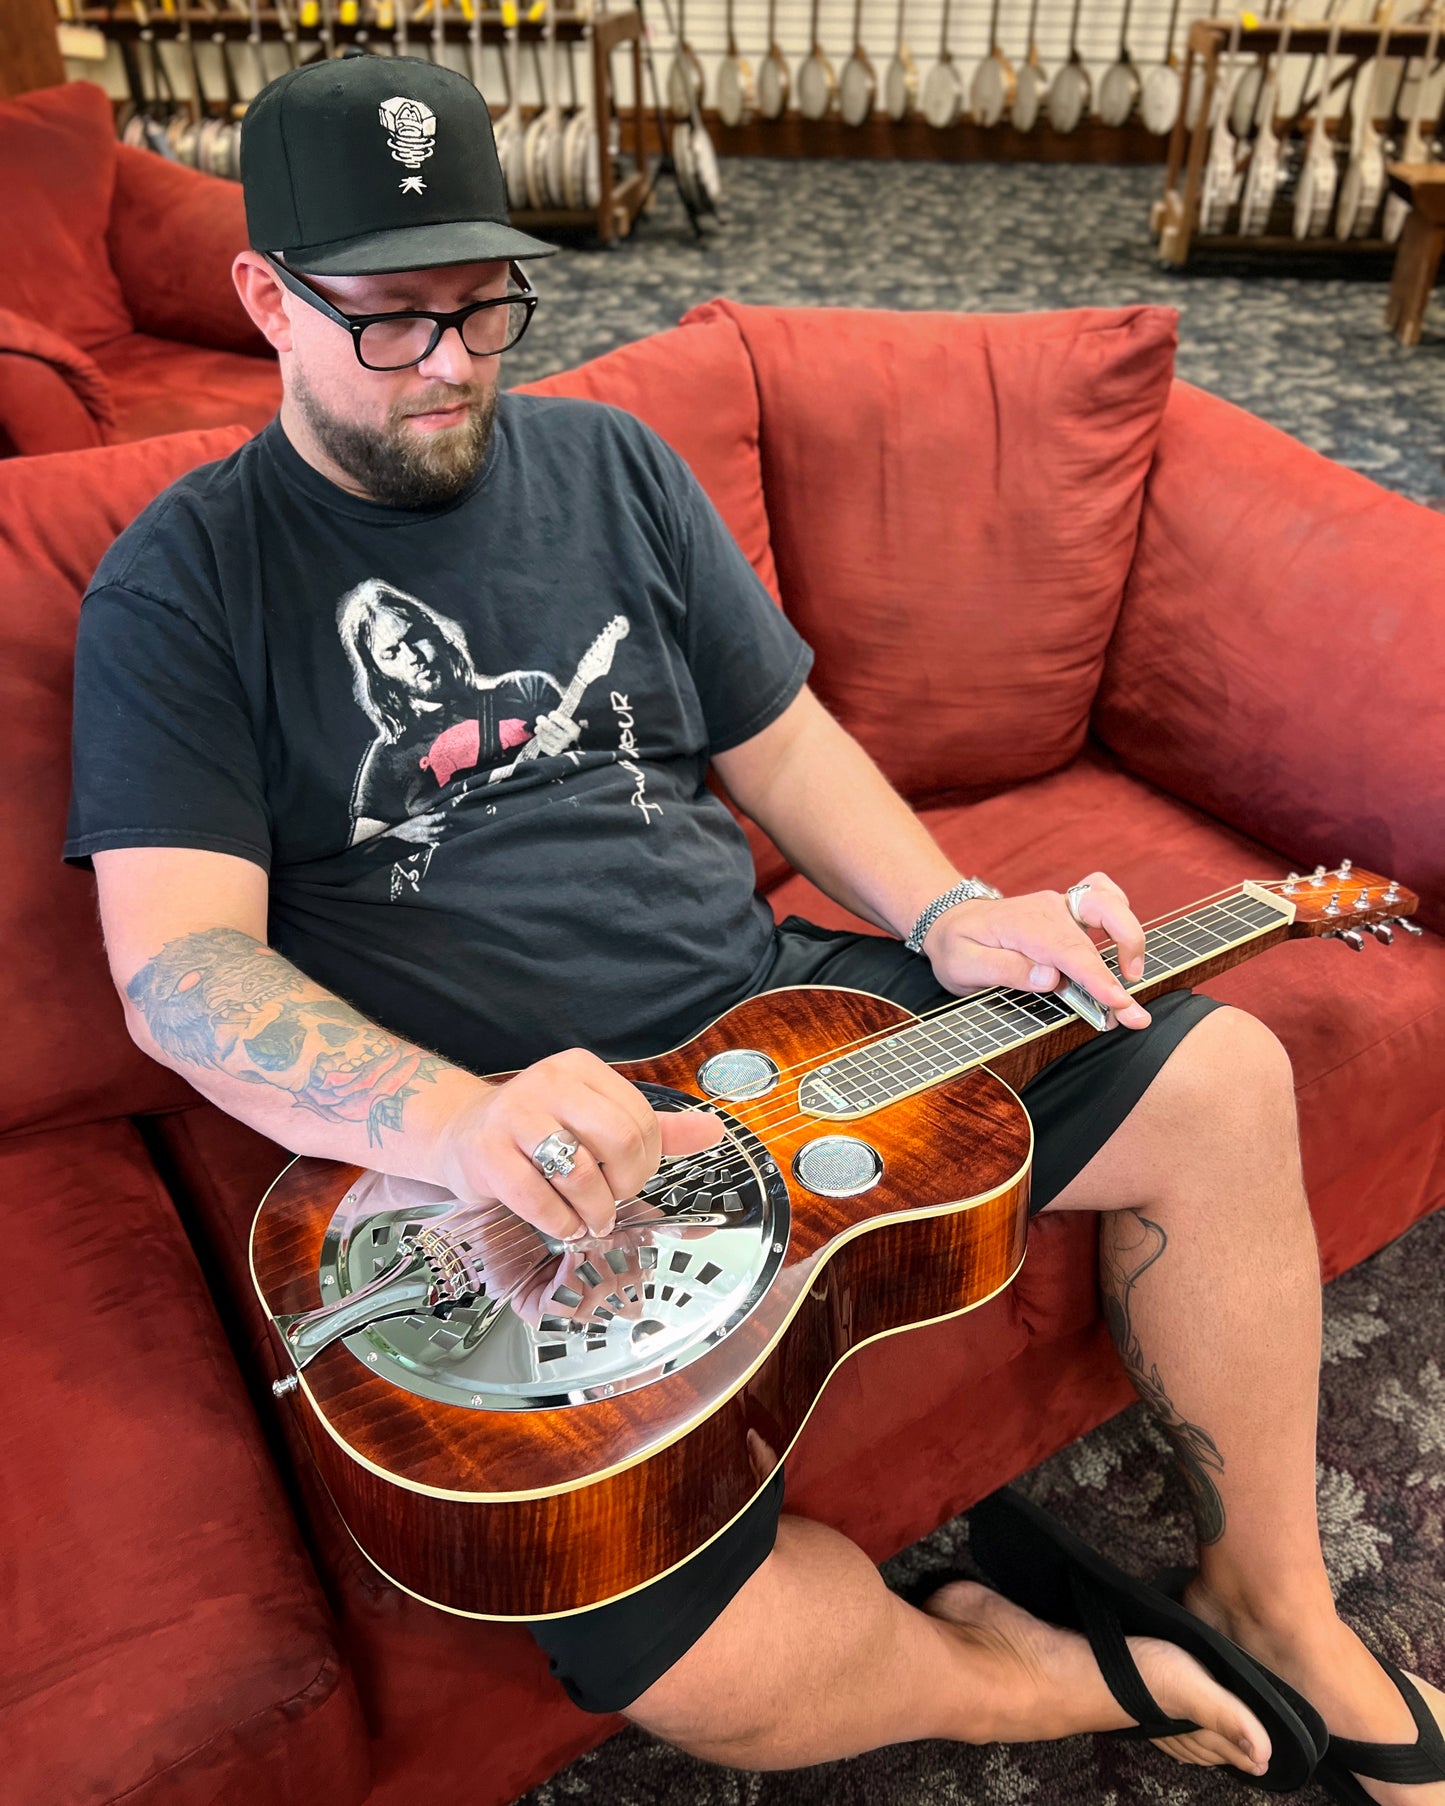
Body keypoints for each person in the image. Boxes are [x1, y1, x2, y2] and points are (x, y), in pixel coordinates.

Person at [64, 52, 1441, 1806]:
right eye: (389, 320)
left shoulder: (609, 467)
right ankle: (1037, 1680)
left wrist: (947, 910)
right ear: (265, 296)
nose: (450, 366)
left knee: (1219, 1078)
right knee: (695, 1661)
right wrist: (452, 1119)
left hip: (771, 1019)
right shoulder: (182, 582)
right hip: (504, 1166)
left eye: (485, 308)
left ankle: (1273, 1587)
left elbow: (777, 739)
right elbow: (179, 968)